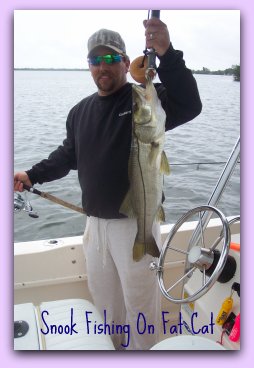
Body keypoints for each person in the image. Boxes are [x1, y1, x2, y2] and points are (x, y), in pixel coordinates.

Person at [14, 18, 202, 350]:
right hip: (94, 226)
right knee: (105, 307)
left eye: (112, 58)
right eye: (95, 59)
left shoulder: (144, 101)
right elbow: (68, 154)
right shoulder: (79, 111)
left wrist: (166, 53)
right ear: (88, 65)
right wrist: (32, 175)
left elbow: (189, 104)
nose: (103, 65)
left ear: (126, 62)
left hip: (135, 223)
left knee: (140, 305)